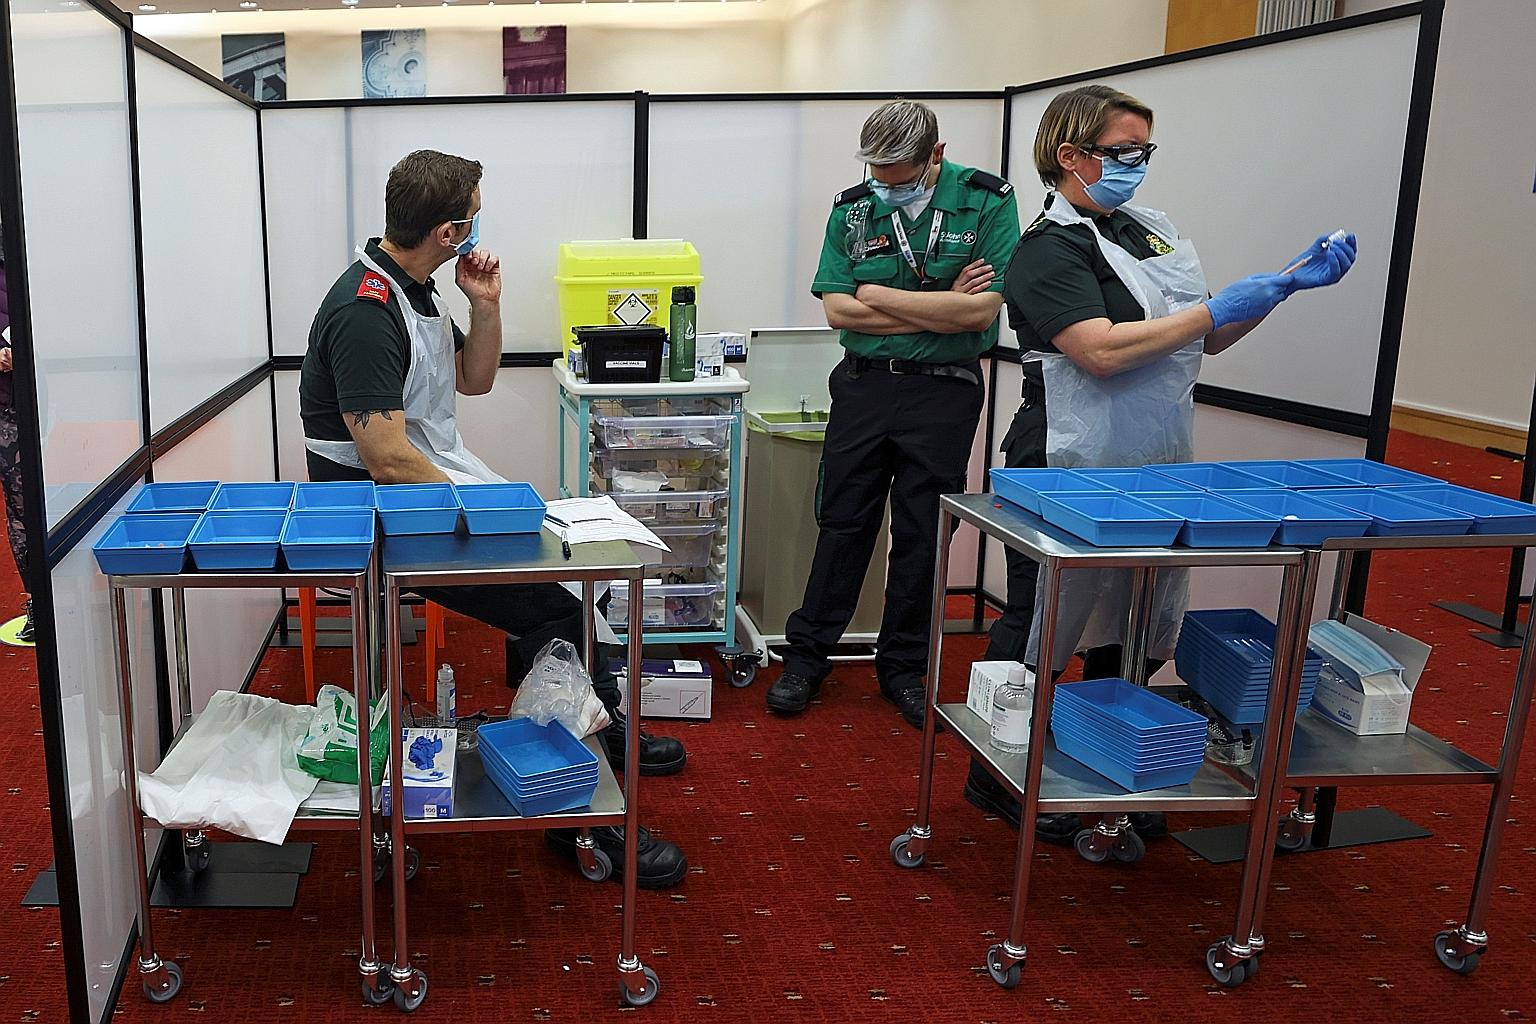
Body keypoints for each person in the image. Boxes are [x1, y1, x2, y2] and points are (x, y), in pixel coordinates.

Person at [963, 85, 1356, 842]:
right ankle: (998, 770)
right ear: (1069, 156)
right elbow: (1101, 351)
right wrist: (1215, 309)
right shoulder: (1044, 250)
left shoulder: (1147, 233)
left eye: (1145, 150)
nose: (1136, 165)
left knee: (1131, 613)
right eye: (1121, 152)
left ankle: (1107, 754)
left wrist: (1277, 289)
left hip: (1151, 452)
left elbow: (1206, 340)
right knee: (1045, 615)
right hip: (1064, 453)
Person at [298, 150, 687, 888]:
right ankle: (582, 815)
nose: (480, 222)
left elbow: (473, 380)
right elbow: (385, 457)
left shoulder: (415, 289)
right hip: (385, 513)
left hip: (427, 489)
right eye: (474, 212)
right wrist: (490, 518)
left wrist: (485, 304)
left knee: (566, 598)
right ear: (451, 229)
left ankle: (584, 743)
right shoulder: (364, 311)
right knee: (555, 610)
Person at [765, 100, 1021, 729]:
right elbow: (839, 312)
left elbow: (979, 314)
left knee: (922, 532)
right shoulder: (853, 207)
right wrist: (936, 301)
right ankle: (806, 658)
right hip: (865, 386)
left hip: (944, 393)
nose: (887, 185)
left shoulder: (987, 202)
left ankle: (904, 669)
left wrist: (878, 295)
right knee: (843, 523)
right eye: (878, 172)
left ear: (936, 155)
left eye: (901, 174)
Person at [0, 229, 32, 644]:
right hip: (7, 406)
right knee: (19, 507)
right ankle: (37, 602)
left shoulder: (30, 256)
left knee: (33, 505)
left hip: (32, 402)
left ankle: (46, 599)